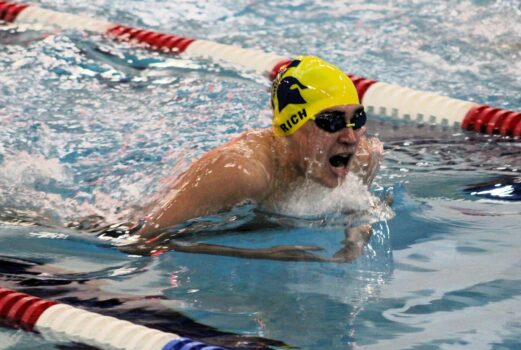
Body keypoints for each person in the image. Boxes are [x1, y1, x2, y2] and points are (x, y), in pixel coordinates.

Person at [105, 56, 384, 262]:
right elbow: (138, 241)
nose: (350, 137)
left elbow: (357, 207)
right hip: (114, 226)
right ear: (292, 127)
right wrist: (257, 253)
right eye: (331, 121)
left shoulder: (361, 159)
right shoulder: (240, 172)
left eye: (356, 119)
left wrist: (354, 243)